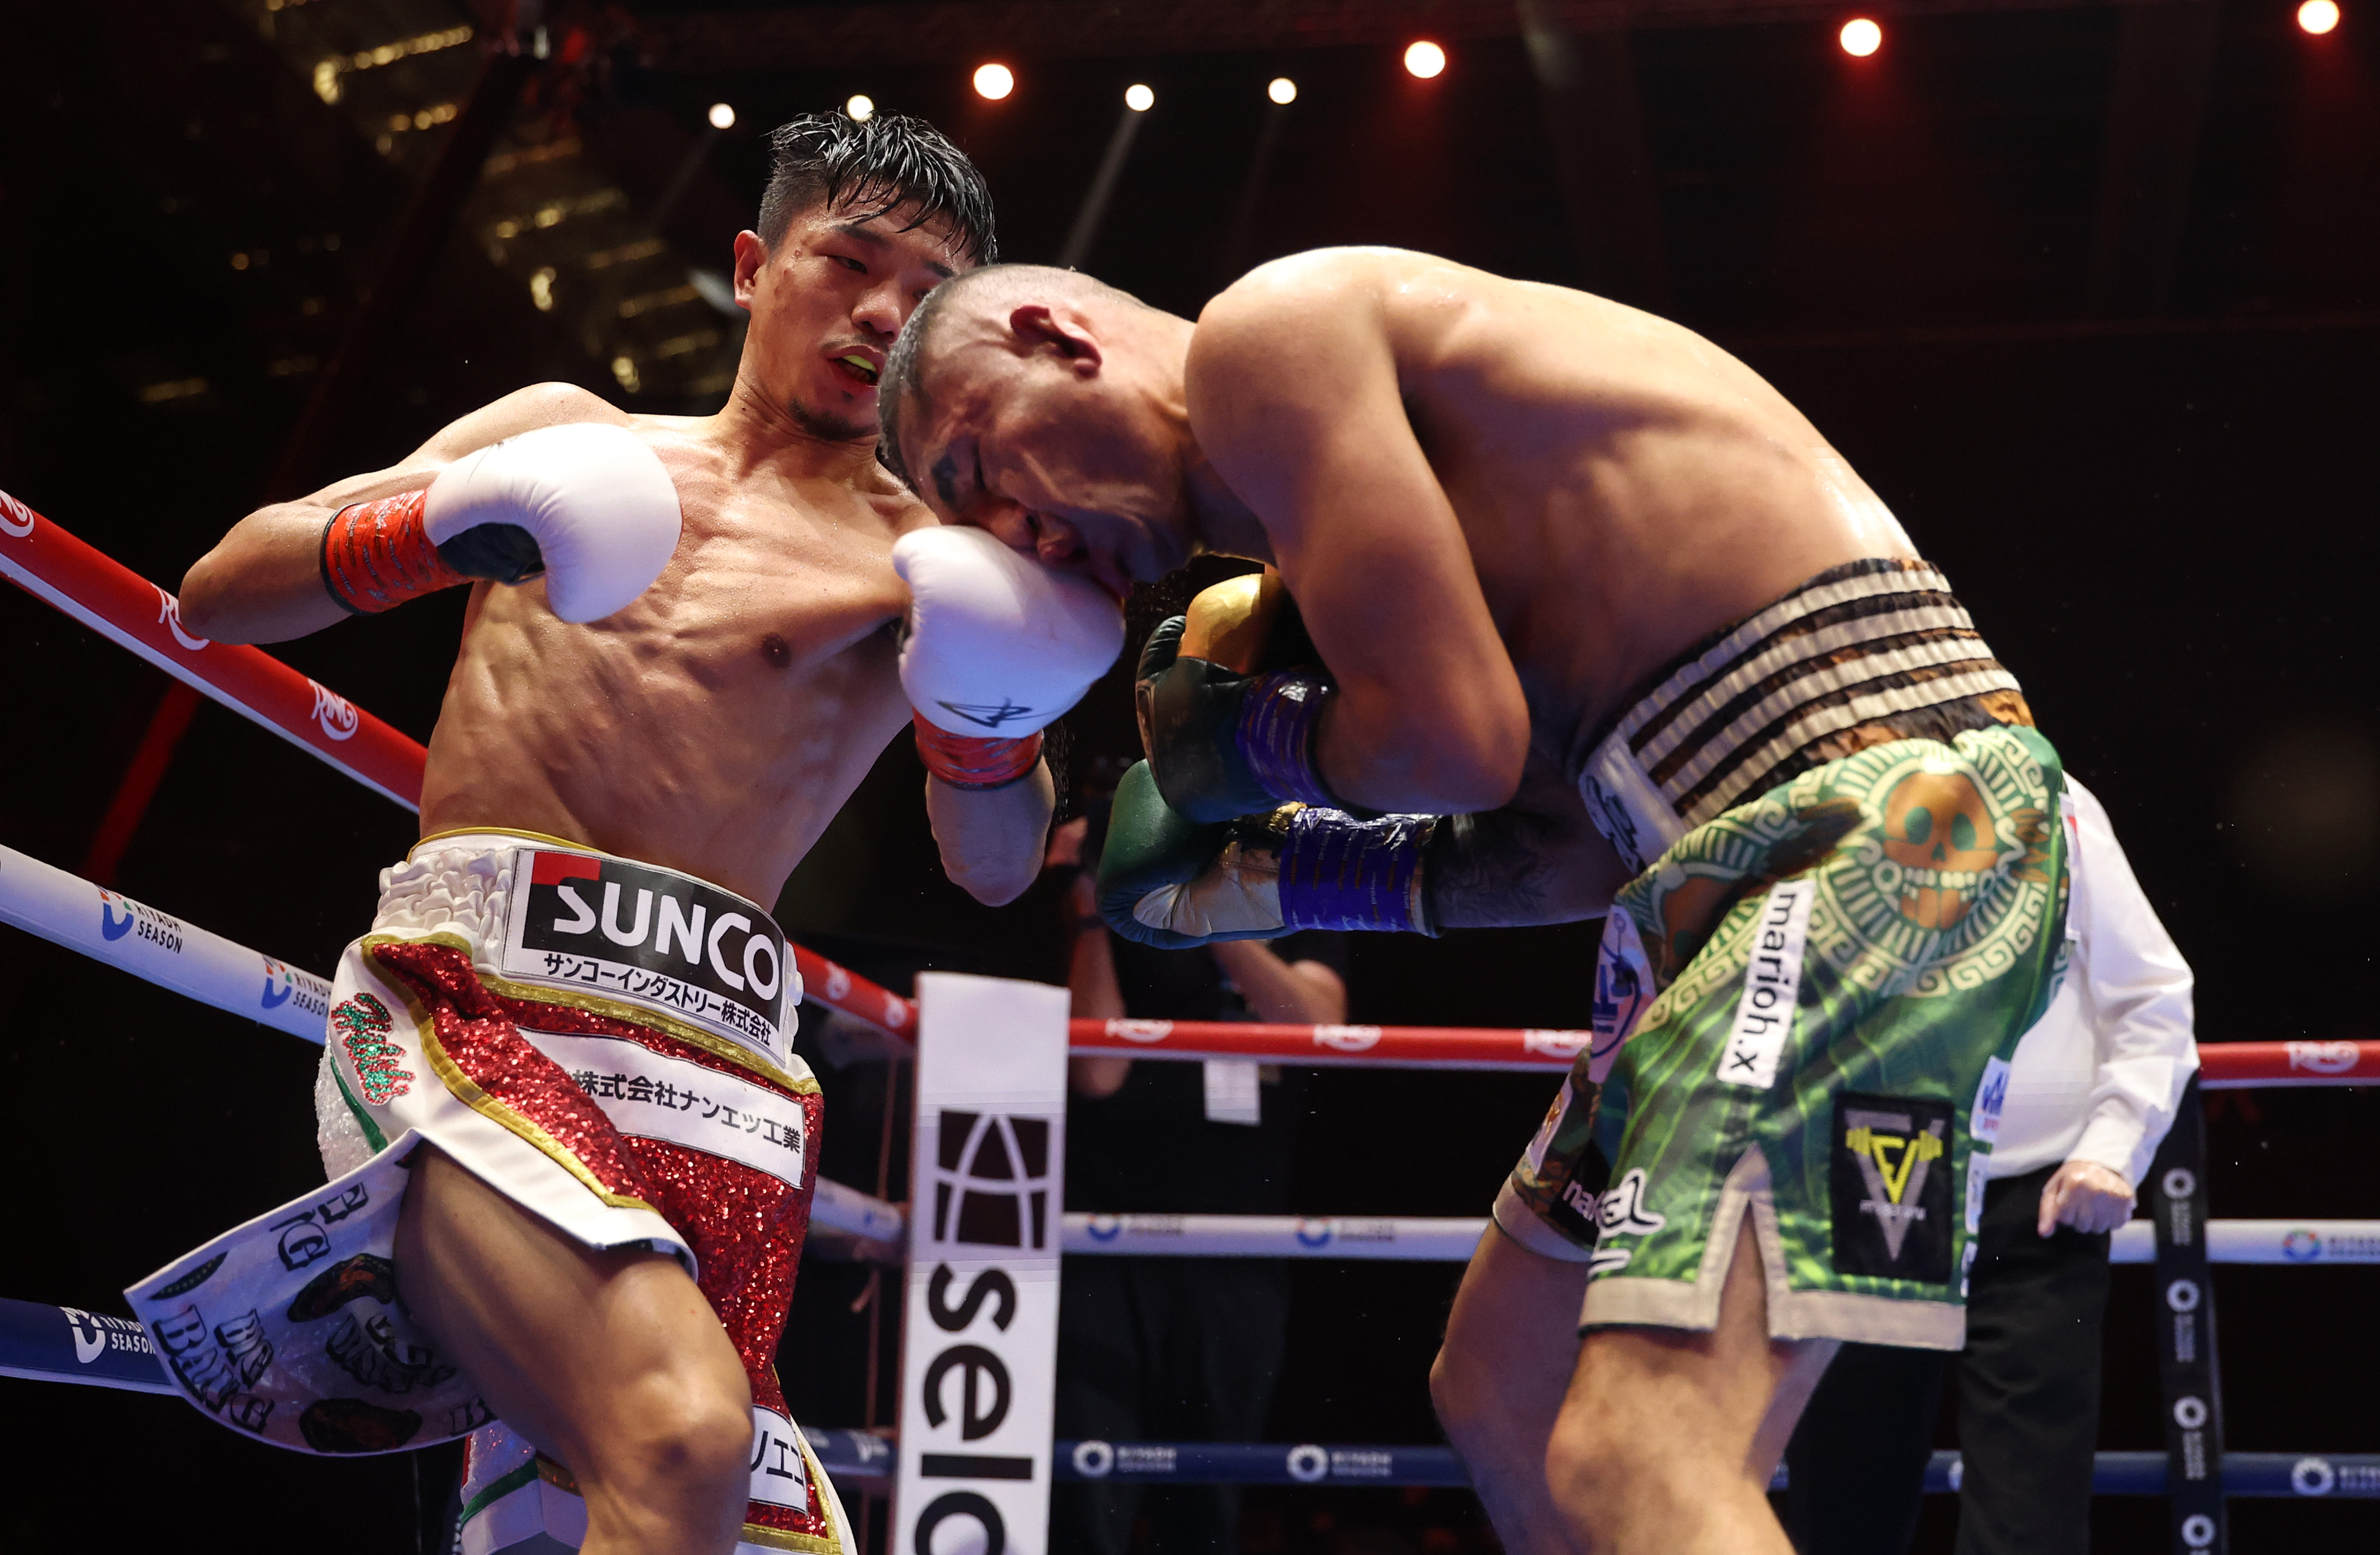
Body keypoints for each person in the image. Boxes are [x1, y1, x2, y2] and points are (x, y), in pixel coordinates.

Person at [872, 251, 2073, 1555]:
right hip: (1724, 875)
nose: (1013, 534)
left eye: (975, 470)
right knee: (1505, 1388)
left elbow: (1453, 744)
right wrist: (1274, 872)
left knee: (1641, 1452)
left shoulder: (1265, 337)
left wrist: (1253, 750)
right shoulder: (1348, 544)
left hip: (1879, 820)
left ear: (1053, 334)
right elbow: (1569, 845)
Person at [130, 113, 1126, 1555]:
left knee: (652, 1510)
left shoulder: (925, 568)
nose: (879, 317)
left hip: (716, 1088)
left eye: (926, 303)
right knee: (676, 1437)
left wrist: (992, 721)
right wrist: (436, 525)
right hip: (468, 1023)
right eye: (847, 263)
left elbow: (987, 868)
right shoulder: (561, 434)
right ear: (751, 267)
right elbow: (220, 590)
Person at [1784, 775, 2196, 1555]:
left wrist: (2110, 1149)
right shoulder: (1825, 793)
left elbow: (2150, 990)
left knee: (2029, 1519)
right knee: (1841, 1507)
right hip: (1874, 1178)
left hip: (2041, 1201)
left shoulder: (2055, 801)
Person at [1045, 805, 1349, 1555]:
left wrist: (1211, 911)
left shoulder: (1301, 885)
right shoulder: (1123, 898)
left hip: (1238, 1253)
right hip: (1107, 1241)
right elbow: (1097, 1069)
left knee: (1207, 1507)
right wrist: (1090, 906)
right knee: (1091, 1491)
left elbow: (1322, 1032)